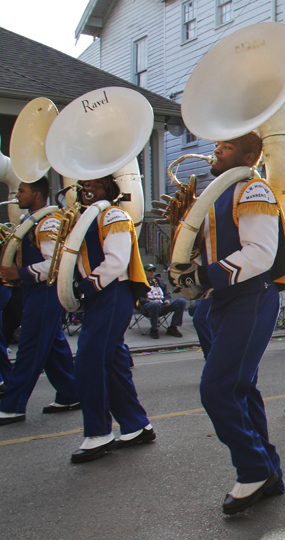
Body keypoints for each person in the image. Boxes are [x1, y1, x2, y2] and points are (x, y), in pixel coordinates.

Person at [170, 131, 285, 513]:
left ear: (250, 154)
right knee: (241, 389)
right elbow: (212, 250)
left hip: (248, 298)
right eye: (217, 145)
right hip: (222, 302)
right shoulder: (219, 193)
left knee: (218, 389)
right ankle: (268, 470)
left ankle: (253, 469)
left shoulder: (252, 190)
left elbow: (259, 254)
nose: (216, 150)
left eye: (225, 147)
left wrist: (204, 276)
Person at [68, 174, 155, 463]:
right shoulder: (86, 217)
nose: (87, 189)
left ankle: (98, 432)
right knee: (114, 365)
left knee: (88, 361)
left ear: (109, 188)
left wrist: (83, 288)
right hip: (100, 295)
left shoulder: (114, 214)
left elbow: (116, 261)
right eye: (85, 185)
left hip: (111, 293)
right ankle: (137, 426)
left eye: (95, 185)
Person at [0, 177, 79, 425]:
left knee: (30, 348)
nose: (16, 195)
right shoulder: (32, 219)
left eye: (21, 191)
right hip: (36, 291)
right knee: (53, 347)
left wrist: (18, 273)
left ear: (36, 195)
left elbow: (52, 264)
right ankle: (70, 393)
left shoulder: (48, 221)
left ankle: (13, 405)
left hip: (45, 291)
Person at [138, 264, 186, 339]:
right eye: (149, 270)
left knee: (181, 301)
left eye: (153, 270)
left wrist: (167, 300)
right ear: (144, 272)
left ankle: (173, 327)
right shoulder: (141, 282)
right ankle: (154, 329)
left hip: (162, 304)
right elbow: (139, 297)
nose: (152, 272)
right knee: (154, 304)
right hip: (149, 306)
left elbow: (167, 293)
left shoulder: (158, 281)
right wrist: (149, 301)